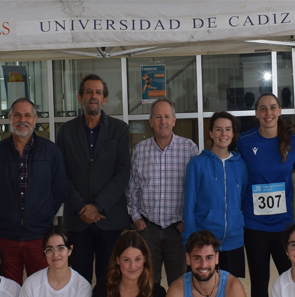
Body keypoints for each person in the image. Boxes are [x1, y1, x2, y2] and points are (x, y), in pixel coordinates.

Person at [237, 93, 295, 297]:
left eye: (272, 108)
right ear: (256, 113)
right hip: (254, 227)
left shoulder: (294, 141)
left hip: (284, 227)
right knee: (260, 285)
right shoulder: (244, 142)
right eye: (263, 108)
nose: (268, 113)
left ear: (279, 111)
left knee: (292, 282)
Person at [56, 74, 131, 285]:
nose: (93, 96)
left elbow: (123, 172)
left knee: (110, 282)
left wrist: (97, 206)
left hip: (109, 219)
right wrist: (81, 207)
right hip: (77, 221)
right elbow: (61, 175)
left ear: (105, 99)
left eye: (98, 92)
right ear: (80, 97)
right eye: (89, 92)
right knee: (78, 282)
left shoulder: (120, 129)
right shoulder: (66, 131)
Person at [0, 97, 67, 286]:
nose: (23, 120)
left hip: (39, 235)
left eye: (28, 115)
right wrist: (2, 212)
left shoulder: (51, 151)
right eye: (18, 115)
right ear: (10, 118)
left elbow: (60, 188)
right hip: (6, 236)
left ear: (35, 119)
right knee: (8, 290)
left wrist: (44, 214)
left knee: (39, 288)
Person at [126, 98, 198, 286]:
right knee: (148, 284)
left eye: (167, 116)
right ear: (150, 121)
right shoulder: (140, 150)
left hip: (177, 230)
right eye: (158, 117)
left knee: (179, 285)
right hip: (148, 230)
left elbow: (197, 189)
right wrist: (135, 217)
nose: (162, 121)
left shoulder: (189, 148)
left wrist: (186, 220)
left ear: (174, 120)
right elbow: (132, 187)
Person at [181, 111, 248, 277]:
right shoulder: (197, 164)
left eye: (228, 129)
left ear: (233, 133)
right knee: (203, 294)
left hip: (234, 242)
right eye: (218, 129)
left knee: (230, 293)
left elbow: (243, 199)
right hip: (204, 243)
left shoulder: (241, 165)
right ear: (211, 133)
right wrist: (189, 242)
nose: (223, 134)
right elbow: (189, 205)